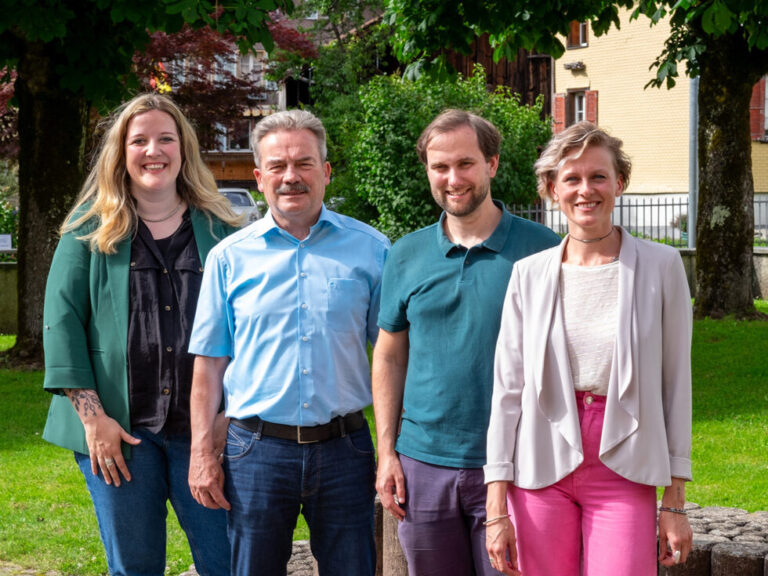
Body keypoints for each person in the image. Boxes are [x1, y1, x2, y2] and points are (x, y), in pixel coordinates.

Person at [42, 93, 241, 576]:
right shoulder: (88, 230)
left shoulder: (223, 230)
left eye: (166, 139)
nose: (154, 150)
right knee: (134, 568)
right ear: (121, 152)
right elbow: (62, 323)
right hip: (116, 434)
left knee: (230, 563)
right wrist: (93, 421)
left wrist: (227, 420)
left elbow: (251, 332)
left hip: (205, 433)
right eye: (140, 140)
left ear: (184, 149)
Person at [485, 121, 693, 576]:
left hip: (624, 462)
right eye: (571, 178)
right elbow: (507, 393)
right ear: (550, 189)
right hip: (540, 462)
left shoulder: (662, 267)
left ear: (619, 183)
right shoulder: (528, 275)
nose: (586, 190)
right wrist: (497, 507)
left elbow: (676, 386)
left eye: (598, 176)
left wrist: (675, 500)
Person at [187, 109, 389, 576]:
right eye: (277, 166)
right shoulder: (228, 258)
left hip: (346, 448)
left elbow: (391, 357)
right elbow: (208, 366)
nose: (291, 177)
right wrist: (202, 453)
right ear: (259, 177)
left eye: (304, 163)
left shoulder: (373, 250)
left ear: (326, 171)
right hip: (256, 453)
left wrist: (393, 449)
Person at [373, 109, 560, 575]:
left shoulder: (543, 249)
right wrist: (387, 453)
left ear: (492, 164)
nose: (452, 178)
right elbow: (390, 355)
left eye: (465, 164)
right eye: (440, 167)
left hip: (517, 465)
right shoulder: (406, 254)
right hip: (422, 465)